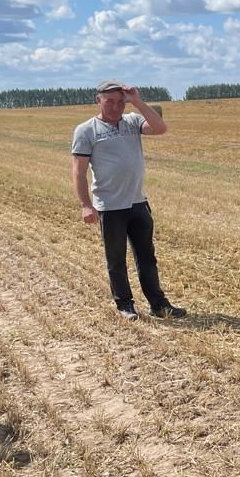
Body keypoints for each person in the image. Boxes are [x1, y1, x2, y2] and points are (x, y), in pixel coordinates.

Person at [72, 81, 185, 321]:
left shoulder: (133, 122)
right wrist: (85, 205)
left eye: (120, 101)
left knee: (147, 257)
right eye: (109, 101)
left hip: (137, 203)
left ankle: (158, 304)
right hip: (110, 207)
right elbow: (79, 172)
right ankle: (125, 304)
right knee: (116, 259)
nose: (115, 106)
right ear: (98, 100)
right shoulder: (86, 130)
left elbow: (161, 128)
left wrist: (138, 101)